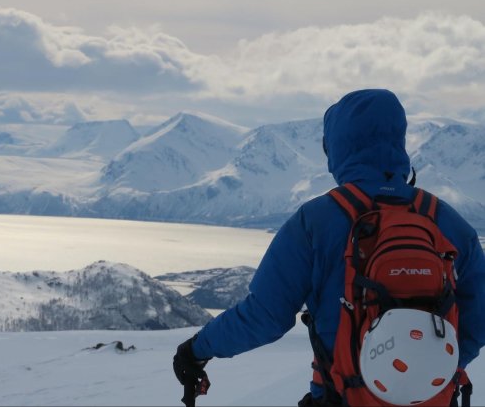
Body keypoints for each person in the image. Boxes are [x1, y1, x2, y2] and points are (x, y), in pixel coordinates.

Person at [172, 89, 485, 406]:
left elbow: (265, 317)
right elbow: (481, 314)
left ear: (336, 147)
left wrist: (197, 350)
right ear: (399, 140)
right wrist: (433, 370)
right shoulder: (446, 220)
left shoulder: (316, 220)